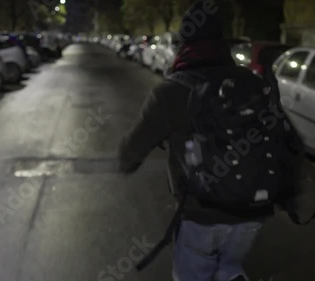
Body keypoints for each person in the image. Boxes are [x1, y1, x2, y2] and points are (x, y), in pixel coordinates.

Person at [118, 1, 303, 281]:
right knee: (230, 263)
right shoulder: (251, 83)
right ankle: (230, 273)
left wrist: (126, 159)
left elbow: (131, 153)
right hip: (254, 210)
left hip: (200, 215)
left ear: (184, 42)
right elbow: (288, 140)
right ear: (221, 41)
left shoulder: (170, 91)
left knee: (194, 272)